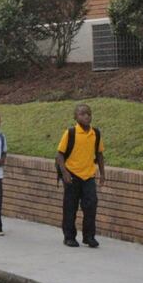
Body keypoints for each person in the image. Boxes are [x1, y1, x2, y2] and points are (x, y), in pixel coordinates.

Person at [55, 102, 105, 248]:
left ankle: (89, 236)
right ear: (75, 117)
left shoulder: (95, 133)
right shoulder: (70, 133)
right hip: (72, 175)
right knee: (70, 207)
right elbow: (60, 155)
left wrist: (102, 173)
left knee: (91, 206)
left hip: (88, 176)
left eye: (89, 113)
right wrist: (64, 173)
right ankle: (69, 236)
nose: (86, 116)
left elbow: (100, 154)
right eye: (82, 114)